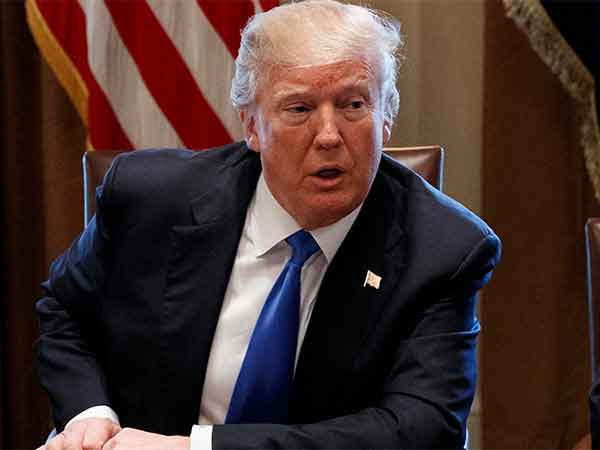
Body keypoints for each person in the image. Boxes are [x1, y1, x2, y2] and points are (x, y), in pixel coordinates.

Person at [36, 1, 501, 449]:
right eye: (299, 109)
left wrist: (195, 449)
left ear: (386, 119)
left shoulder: (444, 250)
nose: (329, 135)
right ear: (252, 126)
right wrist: (90, 416)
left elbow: (422, 428)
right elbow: (66, 311)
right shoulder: (152, 199)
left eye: (354, 104)